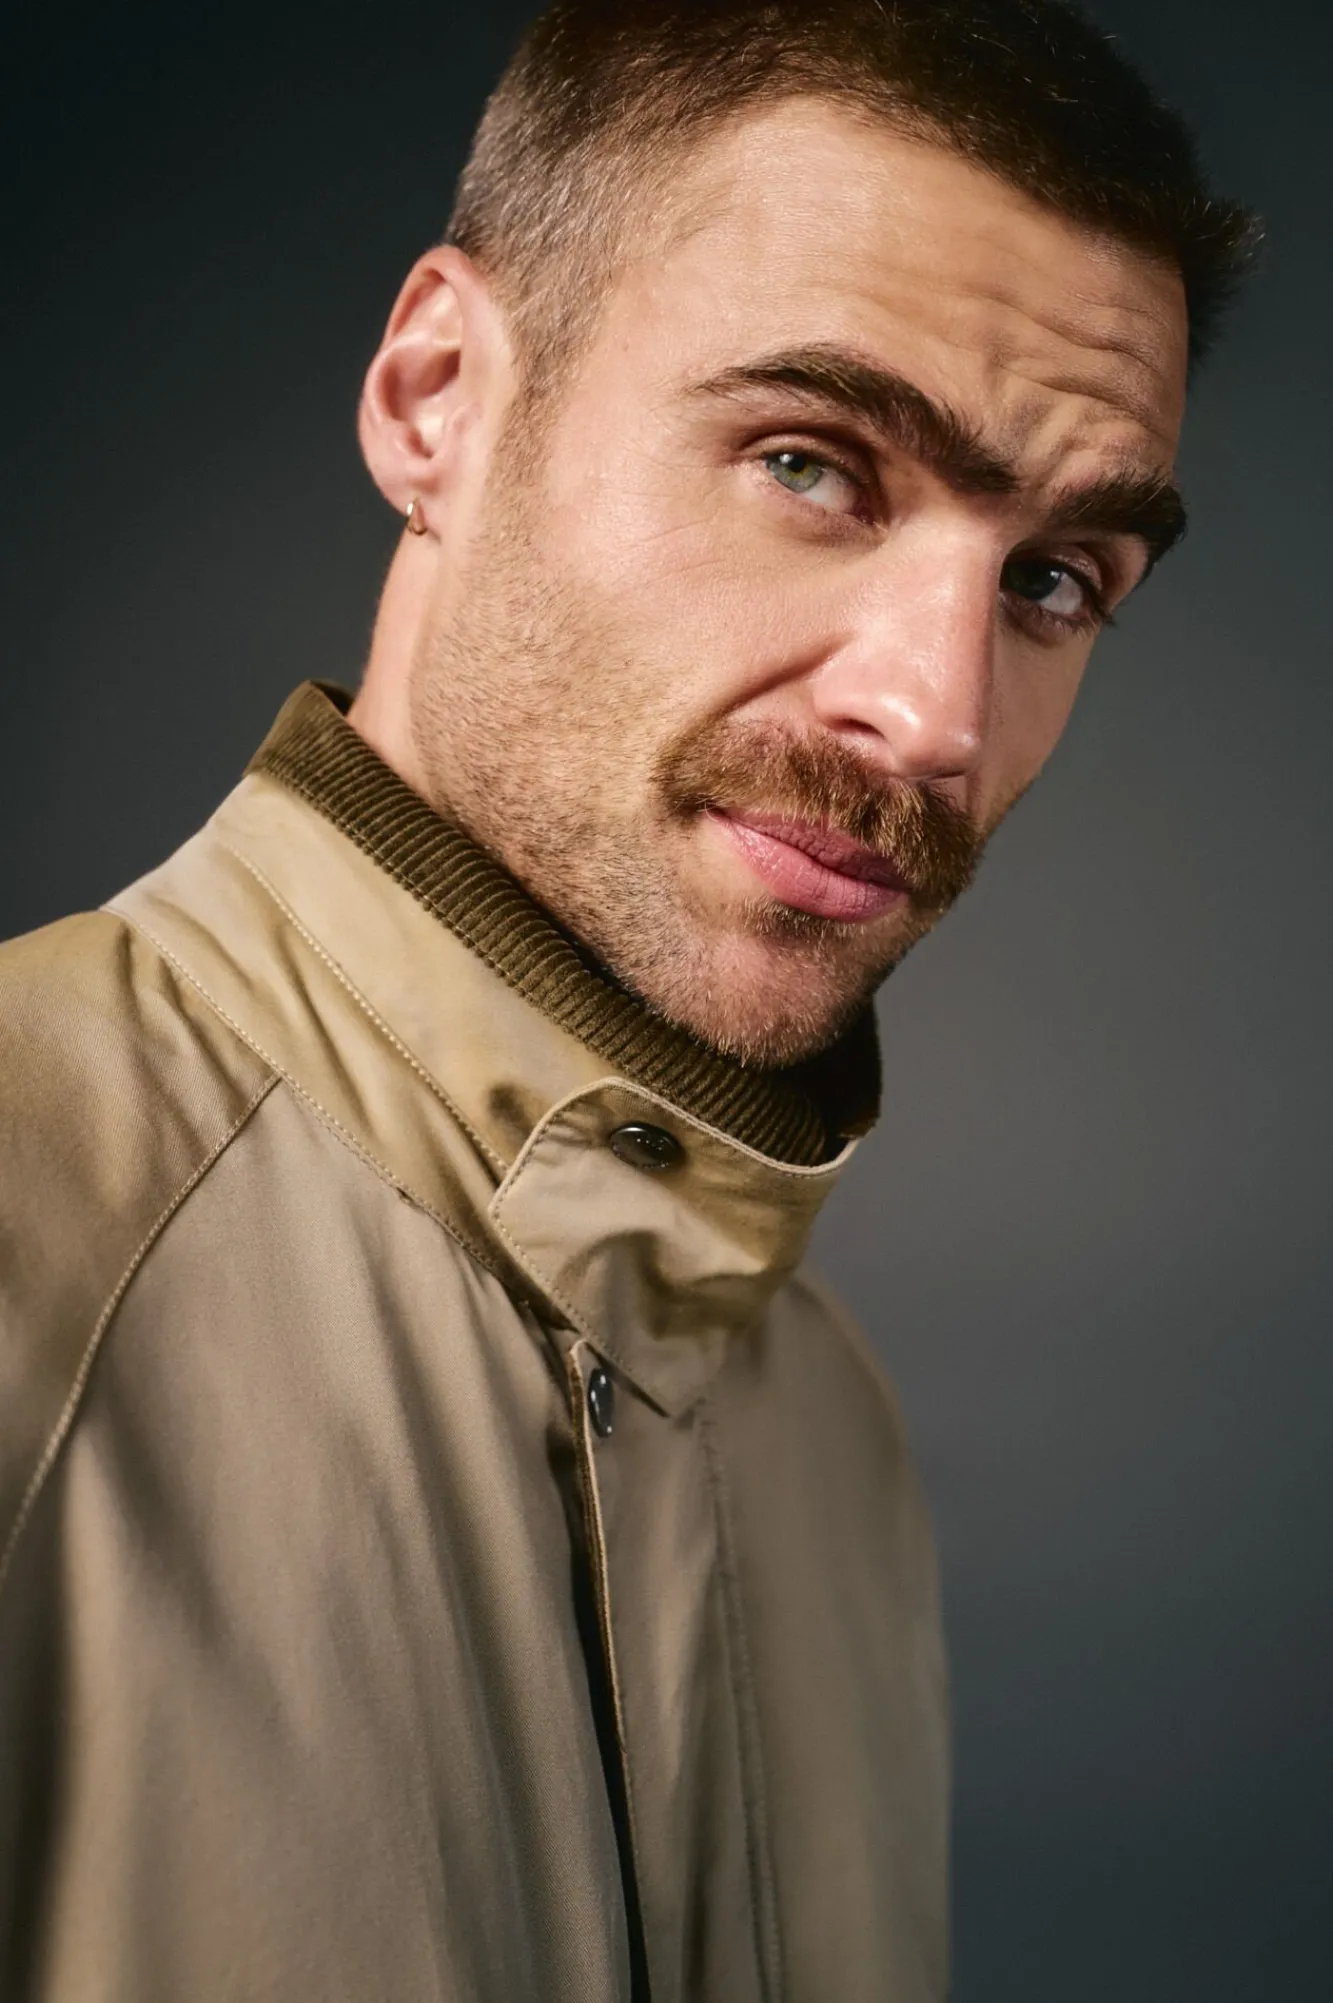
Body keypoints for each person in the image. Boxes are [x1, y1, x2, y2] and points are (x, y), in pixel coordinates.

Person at [0, 2, 1253, 1997]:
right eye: (810, 464)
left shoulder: (824, 1428)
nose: (937, 714)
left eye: (1053, 580)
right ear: (436, 397)